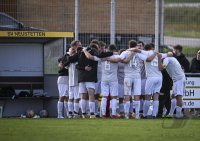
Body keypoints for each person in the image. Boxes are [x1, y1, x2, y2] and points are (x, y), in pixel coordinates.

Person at [57, 51, 69, 118]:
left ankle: (68, 114)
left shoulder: (70, 57)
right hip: (63, 79)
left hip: (68, 79)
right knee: (62, 96)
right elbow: (59, 61)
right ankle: (59, 115)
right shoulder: (65, 58)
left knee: (67, 97)